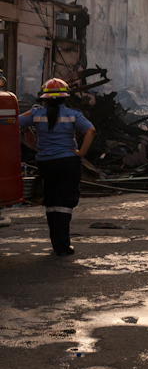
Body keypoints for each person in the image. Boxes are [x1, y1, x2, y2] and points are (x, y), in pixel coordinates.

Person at [19, 78, 96, 256]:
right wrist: (81, 153)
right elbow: (90, 130)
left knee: (51, 202)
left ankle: (56, 243)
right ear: (64, 97)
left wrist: (26, 131)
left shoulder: (35, 113)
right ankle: (62, 245)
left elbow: (15, 121)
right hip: (68, 163)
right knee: (64, 203)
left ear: (44, 98)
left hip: (46, 163)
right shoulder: (73, 114)